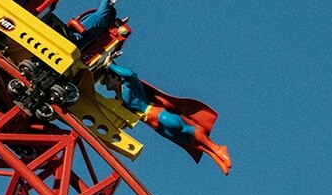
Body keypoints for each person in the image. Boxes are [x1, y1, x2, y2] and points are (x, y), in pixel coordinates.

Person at [96, 63, 232, 174]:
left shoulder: (128, 86)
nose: (106, 85)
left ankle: (217, 148)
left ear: (114, 77)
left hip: (158, 115)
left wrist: (109, 65)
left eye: (107, 80)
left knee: (186, 130)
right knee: (184, 140)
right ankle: (213, 155)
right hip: (154, 125)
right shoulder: (119, 98)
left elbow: (130, 74)